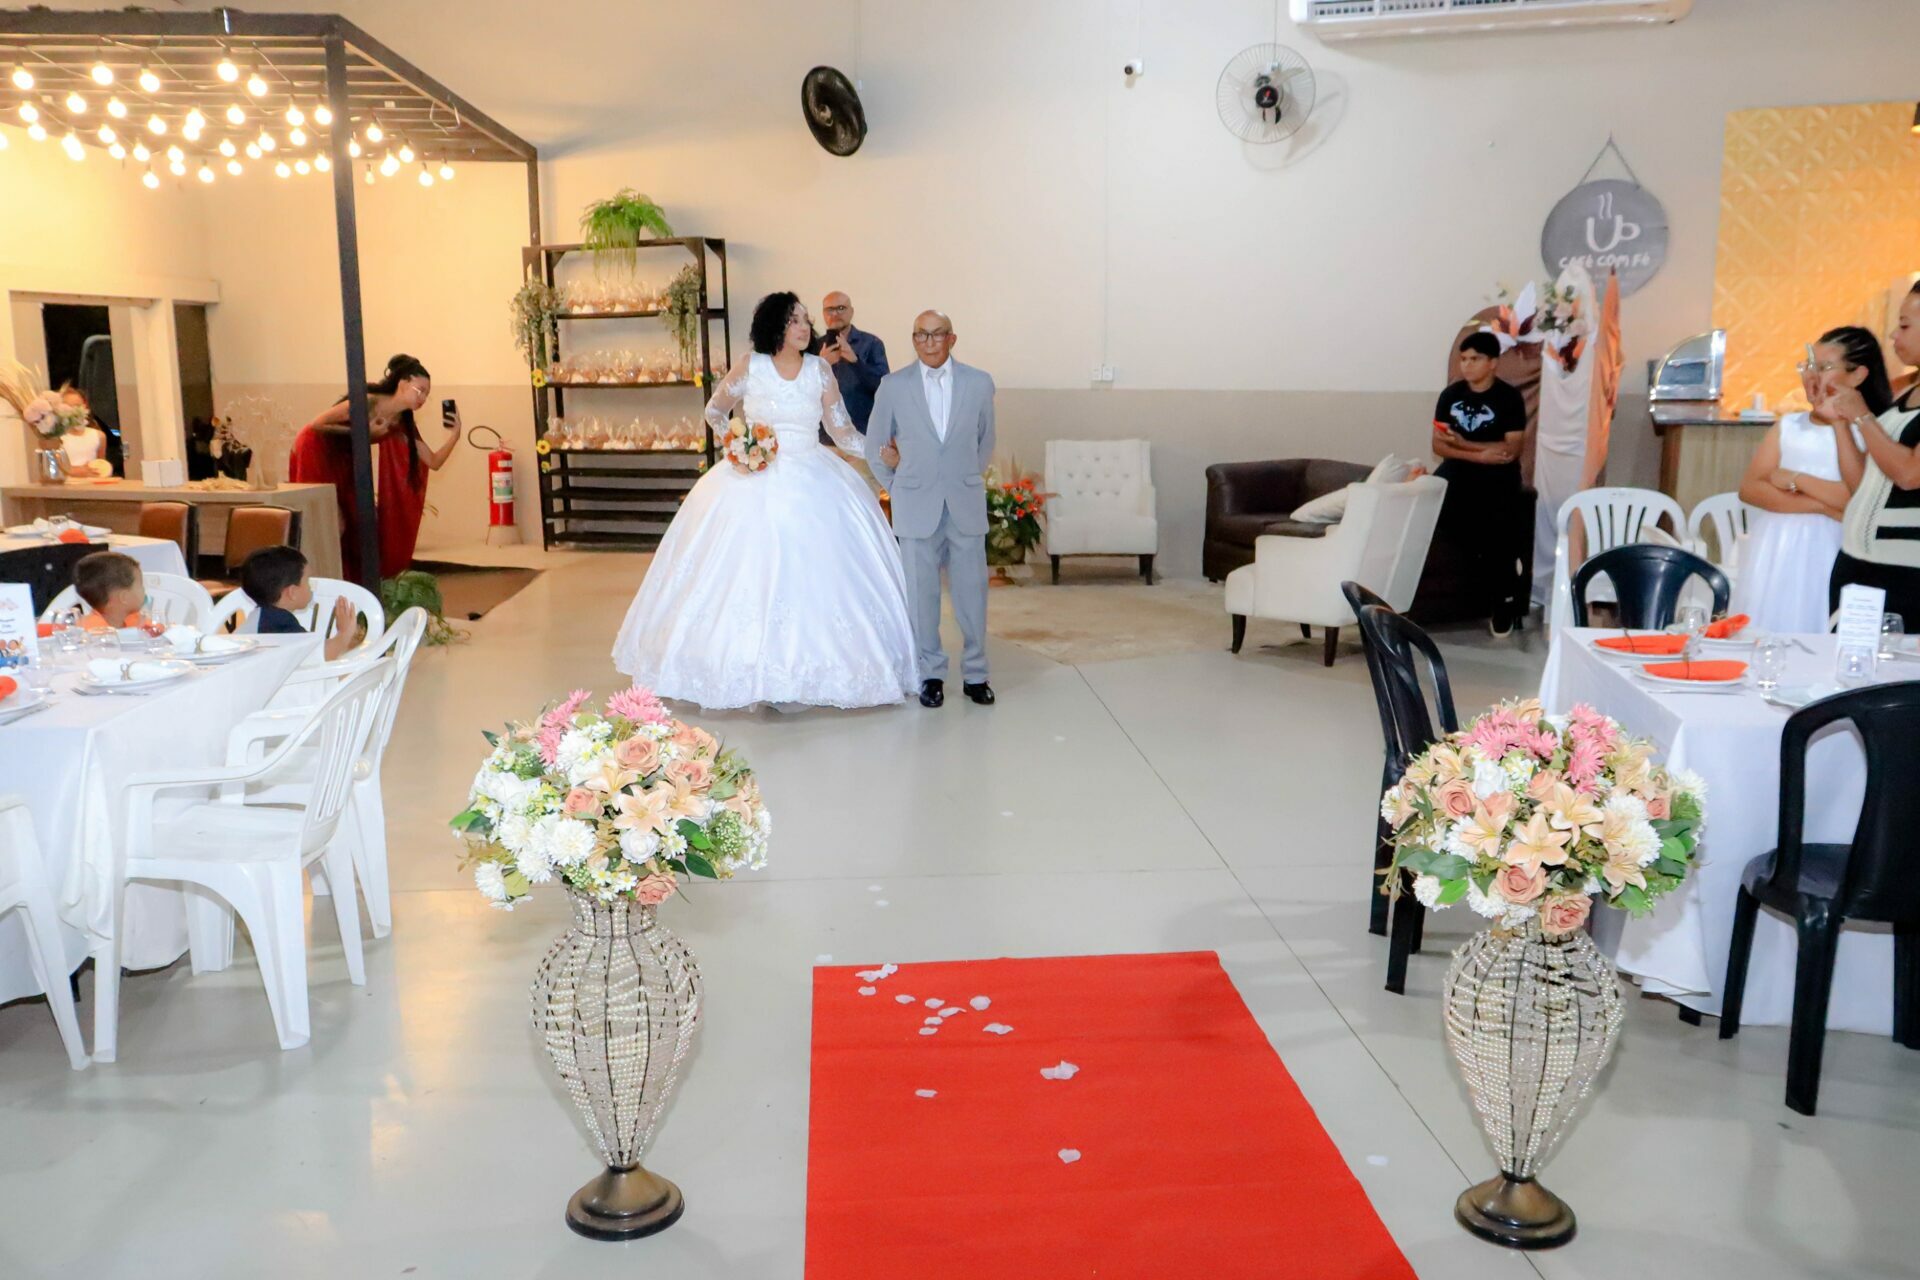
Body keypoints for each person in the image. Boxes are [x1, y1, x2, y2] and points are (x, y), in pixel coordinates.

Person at [611, 292, 917, 710]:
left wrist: (882, 451)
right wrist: (739, 444)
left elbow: (842, 432)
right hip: (752, 476)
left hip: (813, 475)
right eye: (794, 321)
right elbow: (715, 412)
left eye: (806, 320)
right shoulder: (750, 366)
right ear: (775, 326)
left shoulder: (819, 370)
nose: (804, 327)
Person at [867, 310, 997, 708]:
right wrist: (898, 488)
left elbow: (985, 441)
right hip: (915, 506)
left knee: (972, 595)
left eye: (937, 334)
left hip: (964, 503)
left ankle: (976, 674)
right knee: (922, 598)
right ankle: (931, 675)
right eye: (921, 335)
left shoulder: (979, 383)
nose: (929, 342)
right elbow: (874, 447)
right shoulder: (893, 386)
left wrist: (962, 478)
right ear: (913, 340)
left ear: (952, 339)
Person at [1730, 327, 1891, 632]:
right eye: (1808, 365)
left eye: (1825, 367)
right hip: (1778, 545)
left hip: (1834, 545)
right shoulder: (1789, 425)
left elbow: (1856, 499)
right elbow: (1751, 489)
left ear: (1857, 375)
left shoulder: (1871, 431)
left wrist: (1796, 480)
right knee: (1770, 623)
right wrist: (1822, 506)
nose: (1812, 376)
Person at [288, 354, 459, 582]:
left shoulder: (401, 422)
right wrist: (363, 433)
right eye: (420, 390)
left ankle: (346, 580)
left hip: (346, 455)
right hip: (317, 448)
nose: (423, 398)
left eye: (427, 394)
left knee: (354, 521)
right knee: (334, 519)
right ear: (403, 383)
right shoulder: (369, 400)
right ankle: (316, 576)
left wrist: (455, 435)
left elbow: (434, 461)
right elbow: (317, 424)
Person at [1825, 282, 1920, 623]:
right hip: (1858, 561)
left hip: (1905, 571)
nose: (1894, 335)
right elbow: (1862, 483)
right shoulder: (1905, 392)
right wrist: (1839, 421)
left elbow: (1909, 475)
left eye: (1905, 325)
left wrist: (1863, 416)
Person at [1431, 331, 1528, 635]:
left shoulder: (1509, 398)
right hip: (1459, 470)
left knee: (1496, 524)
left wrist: (1464, 443)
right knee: (1434, 496)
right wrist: (1478, 453)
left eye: (1475, 359)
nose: (1467, 365)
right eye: (1463, 359)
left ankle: (1502, 602)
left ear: (1493, 363)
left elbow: (1510, 449)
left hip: (1498, 476)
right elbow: (1439, 445)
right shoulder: (1450, 396)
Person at [239, 544, 359, 661]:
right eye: (307, 581)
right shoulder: (281, 624)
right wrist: (344, 633)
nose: (310, 587)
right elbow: (319, 655)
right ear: (292, 592)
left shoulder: (258, 619)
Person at [817, 291, 889, 441]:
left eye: (841, 308)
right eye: (829, 309)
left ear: (851, 312)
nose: (835, 314)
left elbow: (884, 388)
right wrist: (820, 366)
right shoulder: (813, 347)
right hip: (823, 438)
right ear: (823, 314)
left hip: (862, 434)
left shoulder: (871, 343)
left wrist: (855, 361)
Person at [72, 551, 150, 631]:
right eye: (141, 585)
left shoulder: (137, 620)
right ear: (124, 597)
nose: (144, 589)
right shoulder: (90, 630)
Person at [55, 386, 111, 477]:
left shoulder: (99, 436)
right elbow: (55, 468)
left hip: (92, 483)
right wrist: (77, 471)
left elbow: (102, 465)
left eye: (77, 406)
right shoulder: (55, 438)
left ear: (85, 407)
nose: (74, 411)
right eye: (68, 407)